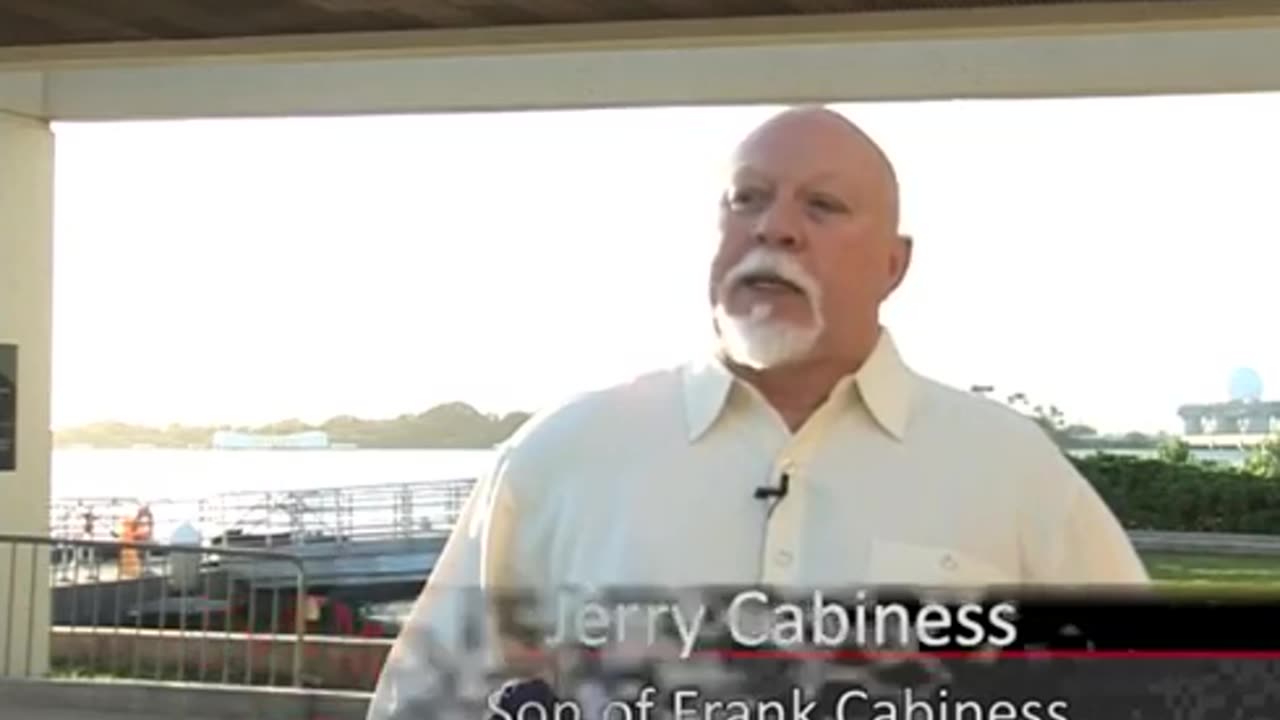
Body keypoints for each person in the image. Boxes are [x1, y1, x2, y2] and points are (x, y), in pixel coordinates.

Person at [365, 106, 1148, 719]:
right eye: (748, 199)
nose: (774, 227)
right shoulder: (560, 459)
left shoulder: (1009, 472)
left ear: (894, 264)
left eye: (824, 205)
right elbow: (426, 702)